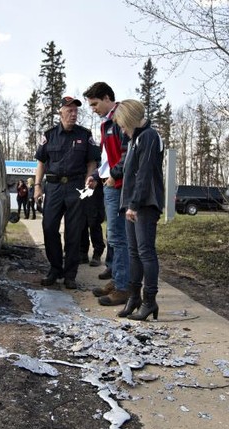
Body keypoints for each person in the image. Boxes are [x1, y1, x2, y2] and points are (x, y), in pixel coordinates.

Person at [34, 96, 99, 289]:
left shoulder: (85, 135)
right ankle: (55, 268)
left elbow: (92, 162)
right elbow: (41, 162)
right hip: (53, 187)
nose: (73, 114)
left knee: (74, 231)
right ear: (60, 112)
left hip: (76, 187)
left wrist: (89, 182)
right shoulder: (49, 135)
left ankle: (70, 274)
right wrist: (37, 186)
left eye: (76, 111)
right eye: (69, 110)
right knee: (49, 227)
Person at [113, 99, 165, 321]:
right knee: (133, 252)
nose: (122, 130)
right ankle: (133, 298)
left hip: (145, 202)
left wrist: (134, 204)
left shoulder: (149, 136)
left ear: (130, 119)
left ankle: (149, 301)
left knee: (146, 252)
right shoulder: (135, 139)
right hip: (132, 203)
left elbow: (144, 173)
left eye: (123, 125)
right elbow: (128, 172)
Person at [84, 82, 130, 307]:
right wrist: (95, 175)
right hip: (109, 182)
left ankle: (123, 288)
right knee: (114, 236)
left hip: (119, 185)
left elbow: (127, 153)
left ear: (106, 98)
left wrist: (114, 174)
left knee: (119, 237)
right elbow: (105, 156)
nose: (93, 109)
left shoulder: (122, 118)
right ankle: (118, 279)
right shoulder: (105, 124)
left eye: (95, 104)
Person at [79, 178, 106, 266]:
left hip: (94, 185)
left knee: (94, 221)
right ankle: (83, 252)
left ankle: (97, 253)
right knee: (81, 221)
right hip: (80, 185)